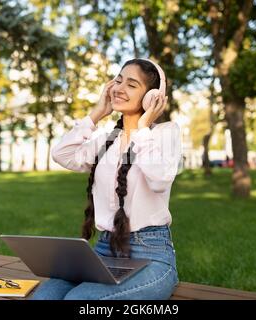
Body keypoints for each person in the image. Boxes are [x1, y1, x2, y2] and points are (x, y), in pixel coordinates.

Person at [31, 58, 182, 300]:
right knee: (43, 298)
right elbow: (62, 154)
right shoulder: (105, 140)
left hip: (151, 255)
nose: (119, 88)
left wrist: (142, 126)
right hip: (104, 249)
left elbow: (159, 179)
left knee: (77, 300)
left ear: (152, 96)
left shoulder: (165, 134)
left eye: (131, 84)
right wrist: (96, 113)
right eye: (118, 81)